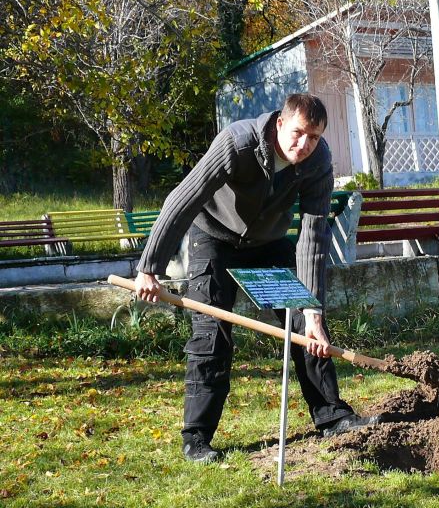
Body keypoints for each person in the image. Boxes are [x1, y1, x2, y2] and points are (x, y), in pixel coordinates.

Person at [135, 93, 377, 463]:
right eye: (298, 133)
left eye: (314, 137)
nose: (304, 144)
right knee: (211, 332)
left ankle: (332, 415)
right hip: (213, 237)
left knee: (304, 325)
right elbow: (183, 199)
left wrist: (313, 312)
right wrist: (150, 267)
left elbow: (312, 237)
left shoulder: (318, 162)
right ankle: (196, 438)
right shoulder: (238, 142)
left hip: (267, 242)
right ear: (280, 123)